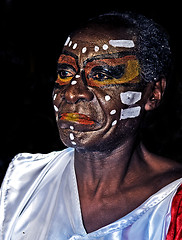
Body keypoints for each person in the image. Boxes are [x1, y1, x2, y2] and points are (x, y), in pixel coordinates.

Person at [0, 11, 182, 240]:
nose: (72, 92)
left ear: (152, 94)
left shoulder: (171, 205)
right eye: (65, 73)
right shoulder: (22, 183)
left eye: (102, 75)